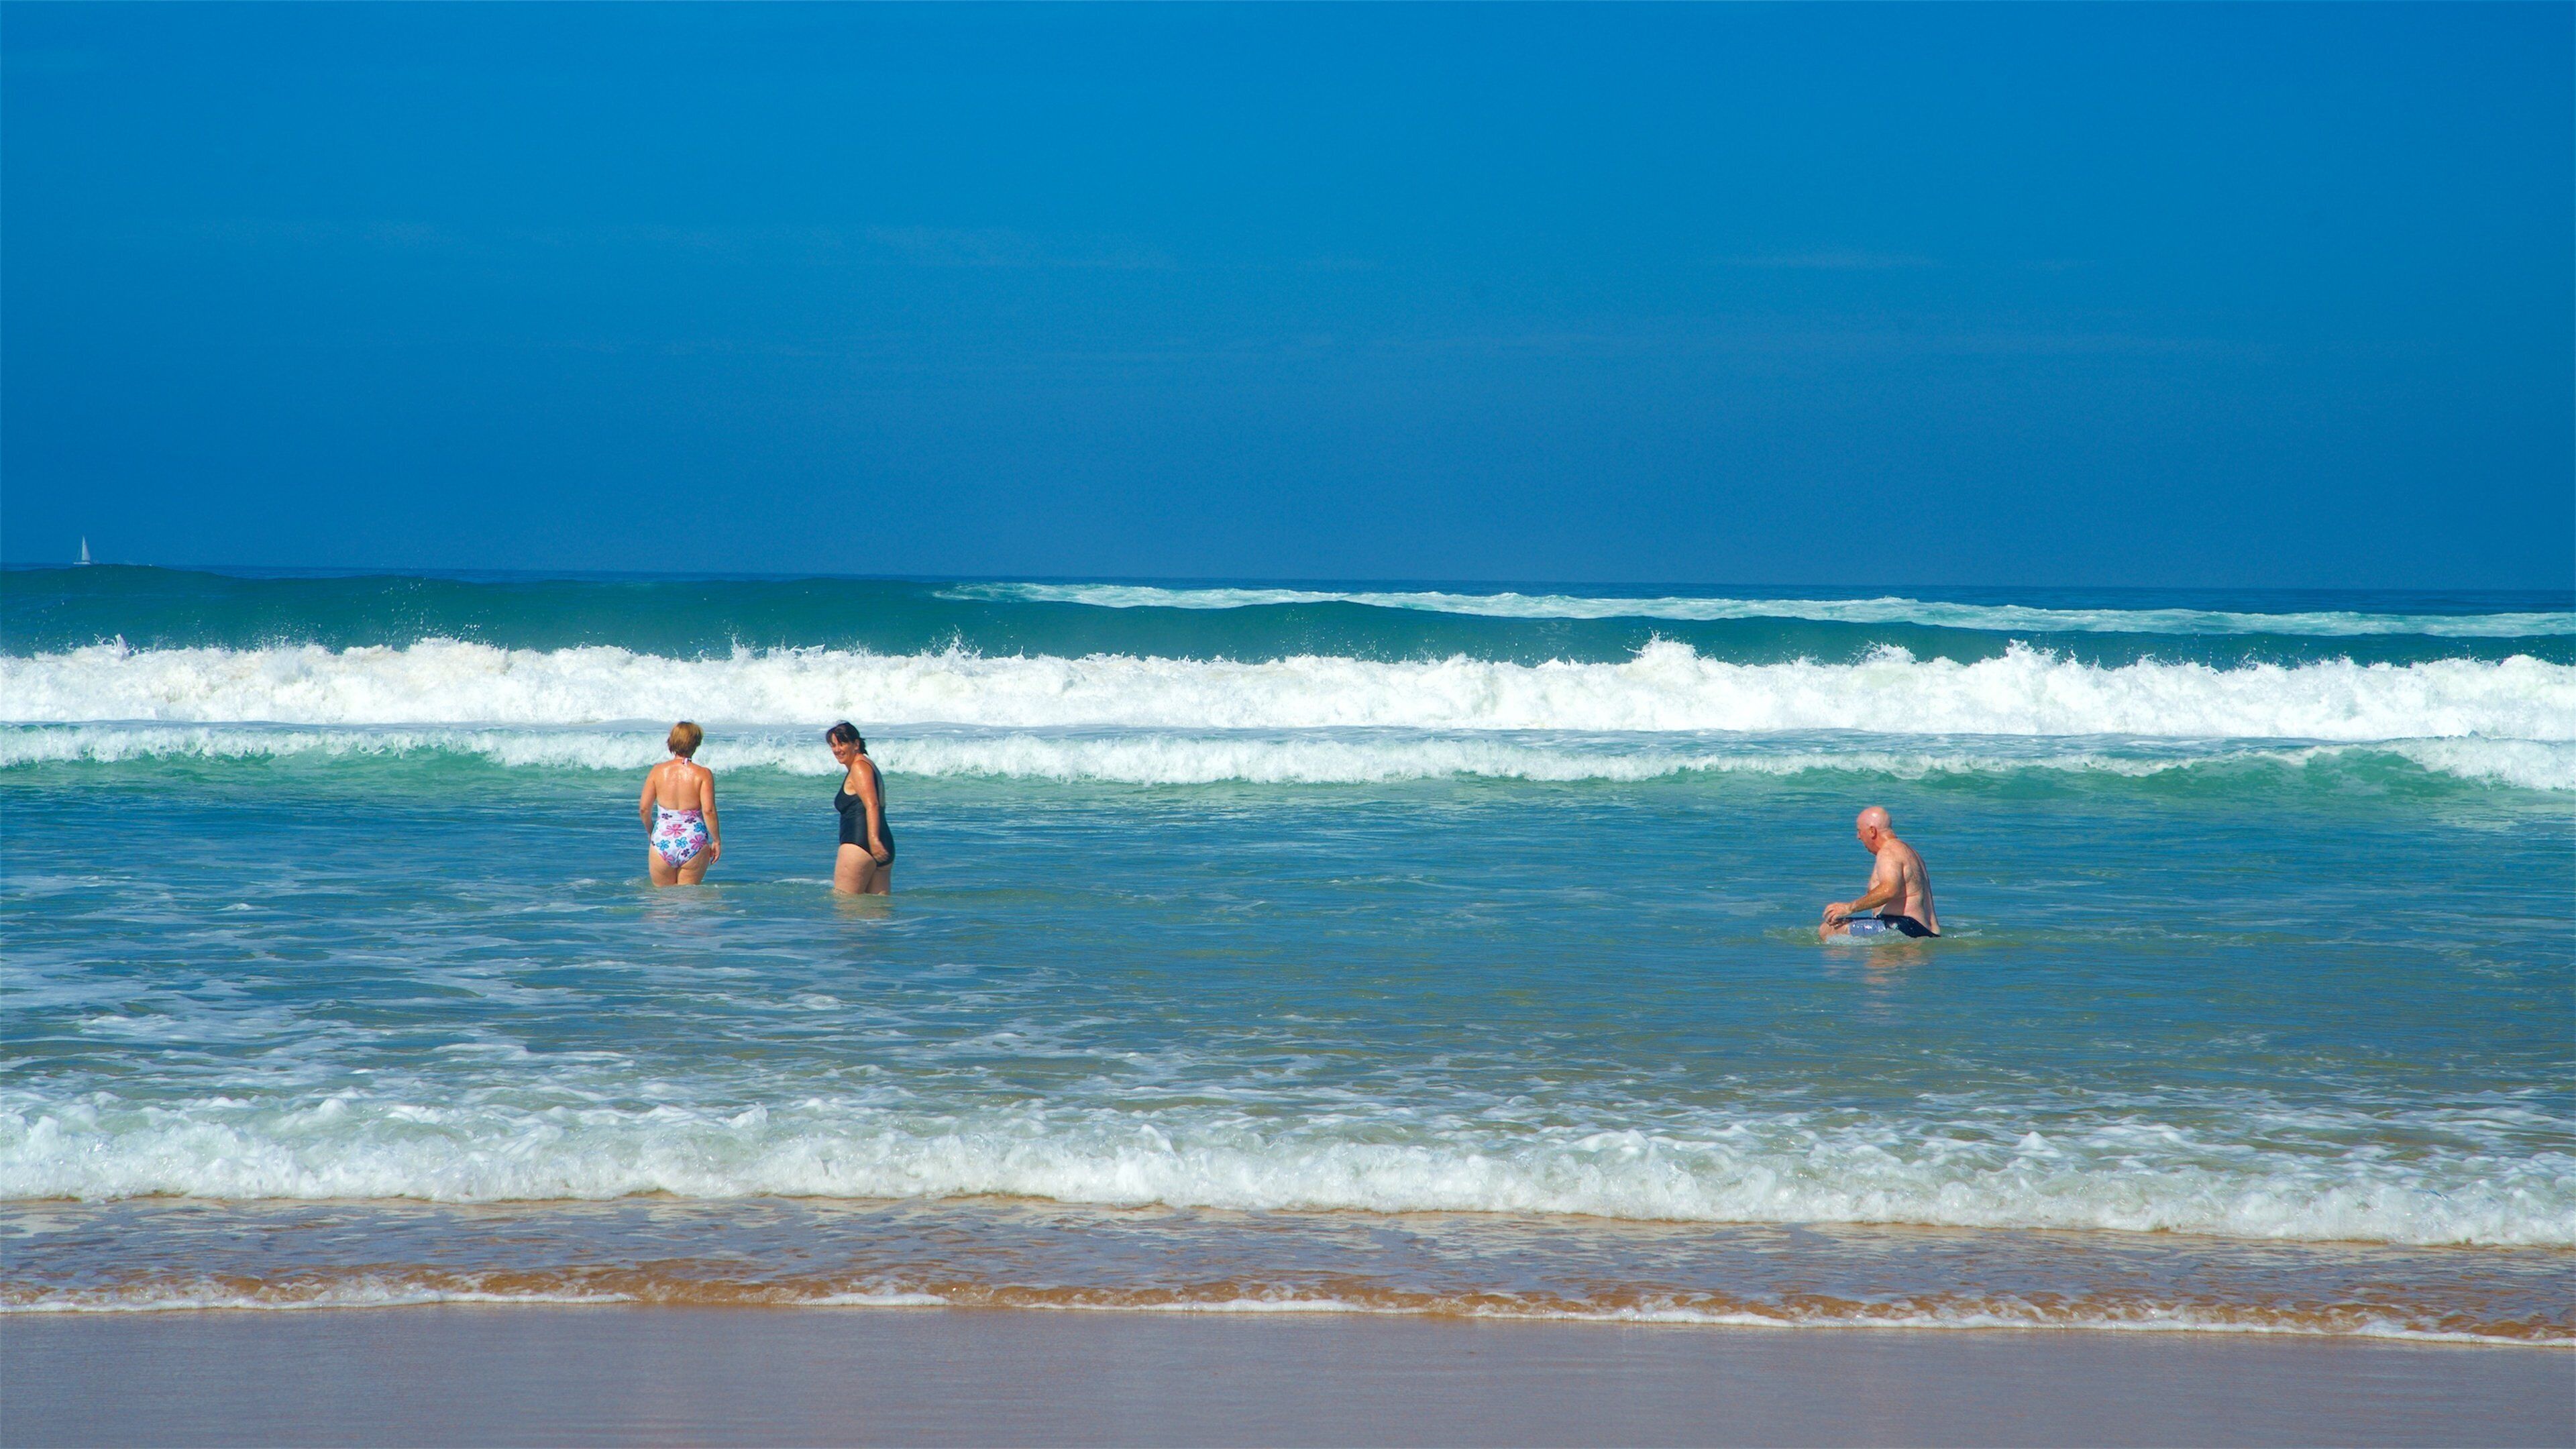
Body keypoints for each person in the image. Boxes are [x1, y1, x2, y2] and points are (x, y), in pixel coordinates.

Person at [1820, 806, 1939, 941]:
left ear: (1872, 831)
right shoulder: (1910, 852)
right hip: (1926, 930)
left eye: (1860, 831)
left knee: (1829, 929)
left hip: (1902, 926)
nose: (1858, 837)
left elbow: (1889, 890)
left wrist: (1849, 907)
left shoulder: (1888, 852)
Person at [639, 722, 720, 885]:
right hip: (693, 840)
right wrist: (717, 840)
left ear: (672, 741)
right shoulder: (703, 774)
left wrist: (651, 831)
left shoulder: (657, 771)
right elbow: (709, 811)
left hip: (663, 838)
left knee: (662, 904)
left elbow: (644, 809)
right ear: (696, 744)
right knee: (689, 902)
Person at [826, 721, 894, 895]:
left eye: (842, 743)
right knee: (877, 914)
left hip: (860, 845)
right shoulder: (869, 765)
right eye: (833, 745)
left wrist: (873, 840)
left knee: (846, 908)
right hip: (883, 844)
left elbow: (872, 804)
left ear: (856, 744)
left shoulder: (859, 767)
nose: (837, 750)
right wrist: (877, 842)